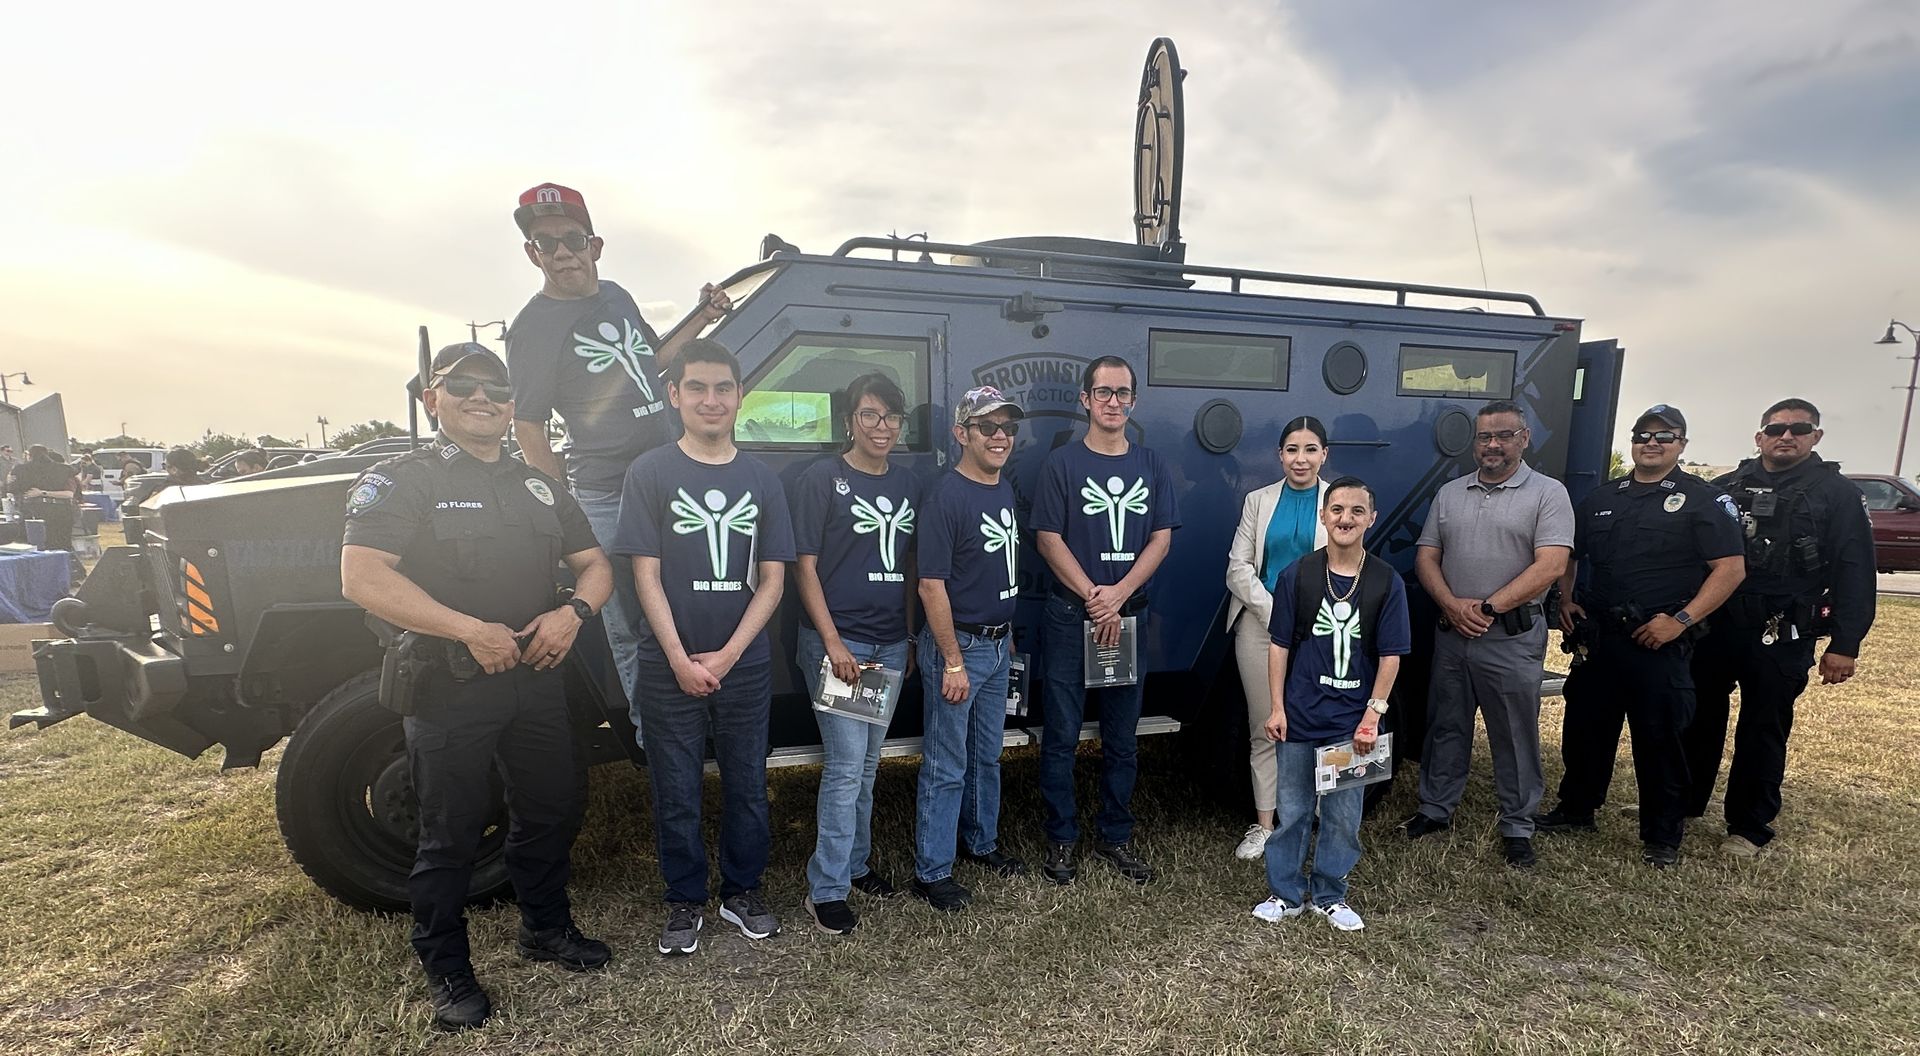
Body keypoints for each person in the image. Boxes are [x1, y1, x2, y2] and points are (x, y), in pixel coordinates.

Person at [339, 343, 615, 1032]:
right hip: (449, 685)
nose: (482, 396)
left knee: (552, 809)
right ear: (433, 400)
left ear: (513, 402)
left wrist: (573, 612)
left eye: (496, 386)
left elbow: (595, 566)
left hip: (539, 677)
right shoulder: (404, 480)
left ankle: (546, 931)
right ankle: (447, 969)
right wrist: (468, 629)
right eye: (462, 385)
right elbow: (363, 577)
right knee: (450, 833)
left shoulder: (541, 486)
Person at [504, 182, 734, 719]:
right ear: (531, 253)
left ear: (595, 245)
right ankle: (652, 734)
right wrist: (563, 510)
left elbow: (653, 361)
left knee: (687, 604)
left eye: (572, 239)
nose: (562, 252)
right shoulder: (531, 329)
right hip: (607, 494)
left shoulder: (617, 296)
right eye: (547, 243)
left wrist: (704, 316)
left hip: (670, 482)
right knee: (629, 623)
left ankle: (701, 711)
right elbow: (529, 427)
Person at [613, 339, 795, 955]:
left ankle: (742, 891)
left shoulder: (762, 479)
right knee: (675, 788)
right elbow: (645, 574)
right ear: (675, 395)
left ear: (740, 396)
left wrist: (725, 656)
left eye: (723, 388)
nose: (711, 400)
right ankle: (684, 900)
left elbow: (773, 580)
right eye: (697, 388)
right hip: (668, 666)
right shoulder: (651, 472)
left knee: (747, 783)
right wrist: (678, 658)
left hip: (743, 665)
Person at [1539, 406, 1746, 866]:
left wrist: (1682, 620)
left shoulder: (1703, 500)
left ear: (1682, 445)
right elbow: (1571, 554)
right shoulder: (1602, 498)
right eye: (1643, 435)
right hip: (1601, 637)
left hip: (1660, 639)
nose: (1652, 443)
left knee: (1660, 738)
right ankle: (1576, 809)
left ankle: (1662, 835)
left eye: (1664, 437)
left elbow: (1730, 569)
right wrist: (1567, 598)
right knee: (1585, 728)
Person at [1683, 398, 1876, 857]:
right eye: (1775, 429)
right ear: (1759, 436)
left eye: (1798, 428)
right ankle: (1683, 803)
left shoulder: (1837, 494)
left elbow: (1855, 571)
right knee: (1696, 718)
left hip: (1783, 629)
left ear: (1816, 437)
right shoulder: (1726, 487)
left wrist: (1845, 643)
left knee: (1763, 727)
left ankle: (1749, 826)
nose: (1785, 436)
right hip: (1717, 625)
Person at [1031, 356, 1180, 885]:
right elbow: (1048, 538)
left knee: (1122, 738)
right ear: (1085, 400)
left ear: (1133, 402)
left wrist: (1118, 595)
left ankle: (1116, 835)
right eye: (1103, 392)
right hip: (1072, 618)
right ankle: (1062, 839)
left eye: (1122, 393)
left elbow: (1161, 537)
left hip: (1128, 617)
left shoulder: (1152, 465)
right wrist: (1096, 598)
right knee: (1062, 734)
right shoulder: (1062, 465)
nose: (1113, 401)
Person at [1405, 400, 1574, 868]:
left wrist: (1487, 607)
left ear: (1524, 438)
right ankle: (1435, 809)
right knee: (1446, 726)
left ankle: (1518, 825)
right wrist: (1451, 605)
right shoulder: (1451, 493)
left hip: (1511, 637)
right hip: (1454, 633)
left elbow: (1552, 564)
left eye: (1504, 435)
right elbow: (1426, 558)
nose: (1493, 445)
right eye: (1484, 437)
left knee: (1514, 733)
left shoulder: (1547, 493)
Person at [789, 373, 918, 935]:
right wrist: (834, 643)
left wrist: (909, 636)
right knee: (844, 768)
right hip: (838, 647)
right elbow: (805, 566)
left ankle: (857, 865)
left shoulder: (909, 484)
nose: (882, 426)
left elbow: (914, 569)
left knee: (867, 765)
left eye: (891, 416)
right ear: (849, 421)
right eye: (870, 415)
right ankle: (827, 890)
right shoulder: (824, 478)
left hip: (888, 642)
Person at [1252, 476, 1409, 932]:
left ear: (1371, 519)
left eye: (1357, 511)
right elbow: (1279, 646)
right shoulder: (1297, 576)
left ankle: (1329, 893)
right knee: (1293, 811)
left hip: (1349, 723)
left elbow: (1390, 655)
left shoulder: (1385, 581)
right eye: (1337, 509)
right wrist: (1277, 708)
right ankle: (1285, 893)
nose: (1346, 519)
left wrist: (1371, 717)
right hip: (1300, 716)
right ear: (1323, 516)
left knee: (1342, 815)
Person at [913, 386, 1027, 911]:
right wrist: (953, 660)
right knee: (947, 762)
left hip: (999, 645)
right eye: (987, 427)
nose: (999, 436)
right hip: (958, 648)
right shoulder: (947, 495)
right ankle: (933, 870)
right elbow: (930, 585)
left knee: (988, 755)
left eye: (1007, 426)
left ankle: (982, 844)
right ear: (962, 434)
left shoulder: (1002, 488)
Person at [1224, 416, 1331, 860]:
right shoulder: (1258, 500)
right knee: (1266, 725)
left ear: (1324, 454)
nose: (1300, 459)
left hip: (1324, 629)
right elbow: (1238, 568)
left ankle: (1319, 819)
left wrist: (1308, 617)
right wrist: (1277, 612)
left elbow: (1351, 566)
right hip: (1261, 627)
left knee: (1322, 726)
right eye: (1292, 449)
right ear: (1279, 455)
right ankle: (1265, 826)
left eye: (1310, 449)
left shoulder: (1339, 501)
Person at [11, 445, 79, 553]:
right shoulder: (65, 469)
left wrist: (39, 493)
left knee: (34, 546)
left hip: (32, 511)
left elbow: (12, 488)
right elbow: (72, 493)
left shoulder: (20, 469)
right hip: (61, 511)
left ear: (30, 455)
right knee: (61, 545)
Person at [126, 448, 208, 508]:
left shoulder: (163, 491)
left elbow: (146, 511)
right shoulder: (208, 489)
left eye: (165, 465)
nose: (164, 468)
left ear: (174, 470)